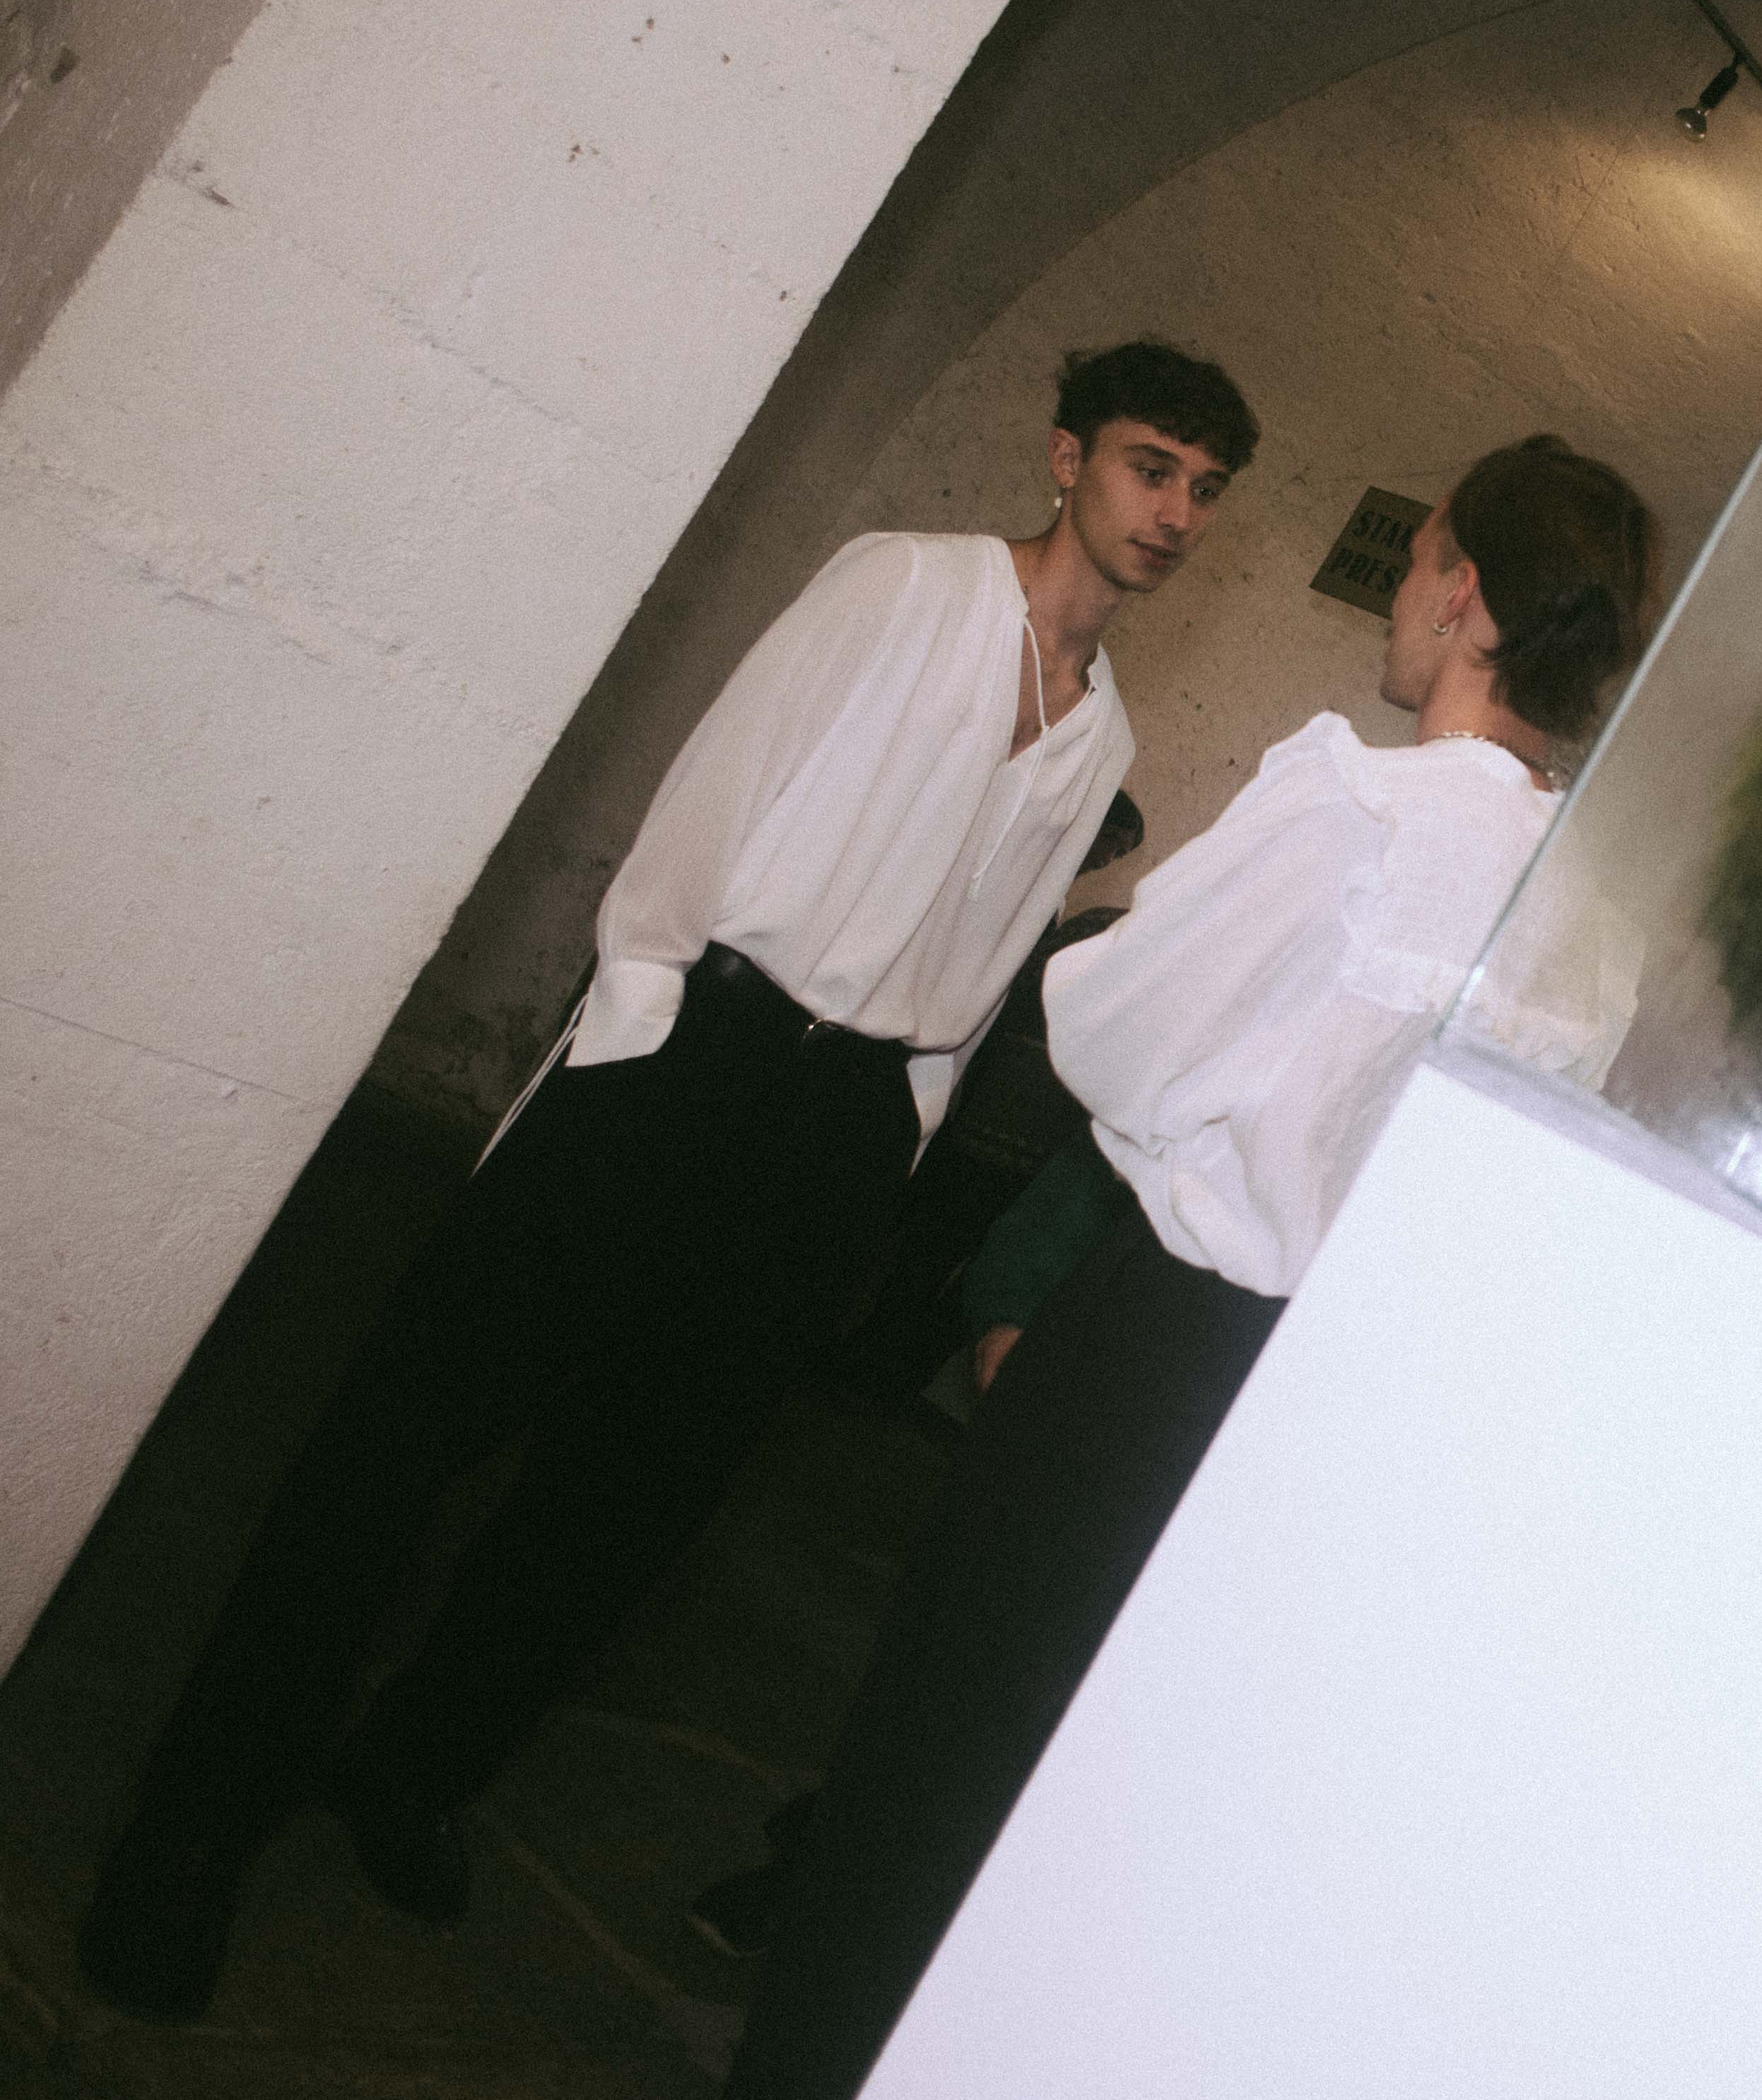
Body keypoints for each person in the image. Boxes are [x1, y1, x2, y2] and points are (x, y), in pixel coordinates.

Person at [76, 341, 1257, 2024]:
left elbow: (981, 972)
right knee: (400, 1443)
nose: (1177, 512)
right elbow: (715, 794)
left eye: (1206, 490)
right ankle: (185, 1837)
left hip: (838, 1135)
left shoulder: (1102, 738)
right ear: (1069, 459)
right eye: (1153, 467)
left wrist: (890, 1143)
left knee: (619, 1511)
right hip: (691, 1053)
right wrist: (633, 1045)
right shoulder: (903, 586)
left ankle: (411, 1770)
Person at [719, 433, 1657, 2100]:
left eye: (1419, 557)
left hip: (1161, 1342)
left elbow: (1108, 1024)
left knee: (944, 1752)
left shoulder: (1361, 798)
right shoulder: (1593, 907)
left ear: (1461, 593)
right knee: (1106, 1803)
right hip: (1327, 1398)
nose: (1405, 594)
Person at [822, 789, 1146, 1407]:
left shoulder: (1081, 924)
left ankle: (887, 1378)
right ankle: (869, 1371)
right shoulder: (1071, 920)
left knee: (960, 1272)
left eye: (1119, 853)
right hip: (979, 1124)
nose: (1107, 858)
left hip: (1018, 1146)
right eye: (1108, 841)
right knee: (922, 1257)